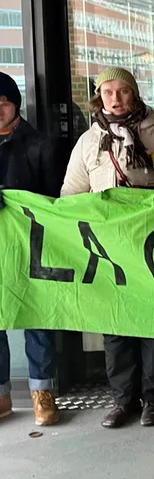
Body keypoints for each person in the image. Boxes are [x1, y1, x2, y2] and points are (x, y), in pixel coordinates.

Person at [61, 67, 154, 429]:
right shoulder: (89, 142)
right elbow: (69, 196)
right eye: (108, 92)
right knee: (116, 323)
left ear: (134, 94)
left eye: (123, 91)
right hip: (110, 249)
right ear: (99, 97)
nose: (115, 98)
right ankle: (123, 399)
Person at [0, 73, 64, 427]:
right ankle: (2, 395)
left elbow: (56, 201)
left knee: (36, 318)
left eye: (3, 103)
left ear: (16, 105)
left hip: (33, 248)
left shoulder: (41, 145)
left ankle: (43, 392)